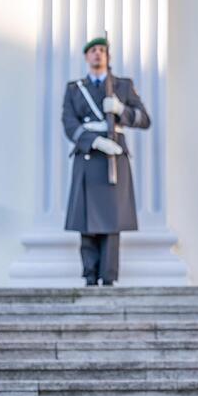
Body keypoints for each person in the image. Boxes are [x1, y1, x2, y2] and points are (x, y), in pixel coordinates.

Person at [63, 37, 151, 286]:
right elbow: (69, 123)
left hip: (114, 160)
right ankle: (90, 276)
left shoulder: (123, 85)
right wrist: (94, 141)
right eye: (93, 50)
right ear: (86, 56)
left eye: (102, 50)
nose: (97, 54)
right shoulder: (75, 89)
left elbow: (144, 119)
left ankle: (109, 277)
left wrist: (121, 110)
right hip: (89, 157)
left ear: (108, 56)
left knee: (112, 220)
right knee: (86, 221)